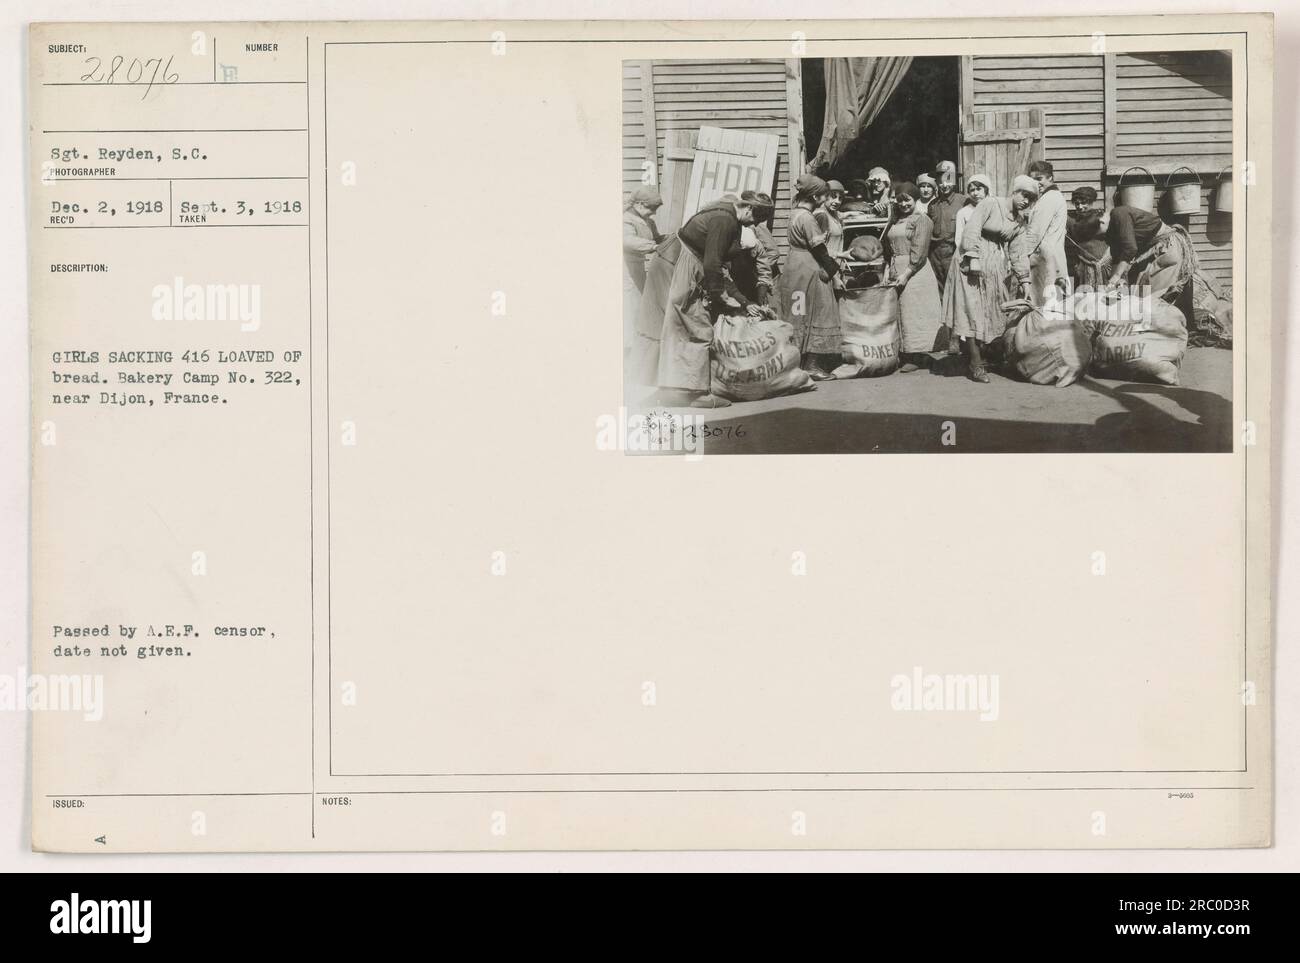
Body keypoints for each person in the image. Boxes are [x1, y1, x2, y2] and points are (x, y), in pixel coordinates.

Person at [656, 193, 759, 408]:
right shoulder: (725, 220)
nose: (755, 224)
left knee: (678, 328)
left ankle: (672, 389)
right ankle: (696, 394)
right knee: (698, 326)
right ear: (748, 209)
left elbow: (719, 269)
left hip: (679, 265)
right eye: (755, 219)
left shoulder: (721, 216)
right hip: (685, 268)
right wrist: (719, 295)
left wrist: (743, 300)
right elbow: (713, 264)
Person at [950, 174, 1039, 383]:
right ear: (1014, 192)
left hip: (994, 265)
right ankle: (975, 363)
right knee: (971, 311)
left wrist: (1025, 280)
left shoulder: (1019, 220)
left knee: (990, 311)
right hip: (970, 262)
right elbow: (972, 227)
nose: (1025, 200)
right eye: (1023, 195)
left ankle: (983, 355)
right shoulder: (991, 203)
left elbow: (1018, 252)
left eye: (1030, 198)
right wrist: (972, 257)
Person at [778, 173, 844, 381]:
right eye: (824, 197)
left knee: (798, 313)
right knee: (821, 311)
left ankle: (795, 362)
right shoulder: (808, 218)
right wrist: (834, 272)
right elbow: (819, 250)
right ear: (816, 197)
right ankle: (812, 365)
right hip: (808, 268)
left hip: (793, 267)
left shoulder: (795, 213)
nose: (825, 201)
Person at [885, 183, 945, 371]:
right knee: (901, 313)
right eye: (900, 200)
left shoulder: (922, 220)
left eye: (907, 200)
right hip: (897, 268)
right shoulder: (895, 220)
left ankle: (917, 356)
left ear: (915, 200)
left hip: (915, 272)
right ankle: (905, 353)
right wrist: (889, 269)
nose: (903, 204)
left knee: (915, 314)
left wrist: (906, 273)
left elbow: (920, 251)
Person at [1099, 204, 1198, 302]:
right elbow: (1116, 256)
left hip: (1166, 249)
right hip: (1152, 251)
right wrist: (1111, 283)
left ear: (1101, 222)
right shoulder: (1112, 227)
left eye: (1099, 235)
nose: (1102, 239)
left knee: (1156, 296)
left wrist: (1116, 275)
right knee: (1139, 291)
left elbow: (1130, 248)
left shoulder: (1119, 214)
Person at [940, 172, 990, 355]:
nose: (976, 193)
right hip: (968, 260)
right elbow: (960, 239)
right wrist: (971, 257)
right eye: (972, 190)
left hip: (990, 260)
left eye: (980, 189)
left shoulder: (992, 208)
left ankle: (988, 345)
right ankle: (968, 344)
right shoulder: (964, 212)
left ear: (987, 190)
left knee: (987, 302)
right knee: (971, 304)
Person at [623, 186, 664, 354]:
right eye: (651, 209)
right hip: (626, 267)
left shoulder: (648, 221)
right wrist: (653, 246)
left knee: (640, 303)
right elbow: (627, 240)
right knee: (630, 305)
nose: (653, 213)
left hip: (639, 267)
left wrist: (671, 238)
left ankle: (637, 343)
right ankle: (628, 346)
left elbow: (657, 238)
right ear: (640, 204)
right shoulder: (625, 219)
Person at [1024, 160, 1069, 308]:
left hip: (1045, 258)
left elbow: (1035, 234)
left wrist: (1022, 257)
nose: (1036, 183)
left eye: (1039, 179)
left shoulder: (1049, 199)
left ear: (1050, 178)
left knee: (1046, 304)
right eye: (1032, 180)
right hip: (1052, 255)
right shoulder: (1051, 197)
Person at [925, 160, 967, 295]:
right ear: (936, 182)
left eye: (949, 179)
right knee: (939, 289)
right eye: (941, 180)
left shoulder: (964, 201)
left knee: (957, 288)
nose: (945, 184)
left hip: (954, 252)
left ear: (954, 182)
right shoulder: (932, 205)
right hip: (935, 254)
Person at [1064, 186, 1109, 291]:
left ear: (1092, 202)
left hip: (1105, 264)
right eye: (1077, 203)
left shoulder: (1100, 217)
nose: (1080, 207)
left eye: (1084, 203)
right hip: (1084, 266)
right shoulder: (1071, 220)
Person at [815, 179, 847, 257]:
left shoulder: (833, 213)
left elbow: (840, 215)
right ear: (825, 197)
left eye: (840, 198)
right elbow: (818, 249)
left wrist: (852, 213)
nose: (837, 201)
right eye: (833, 197)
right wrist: (841, 255)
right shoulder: (821, 216)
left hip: (834, 262)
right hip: (825, 265)